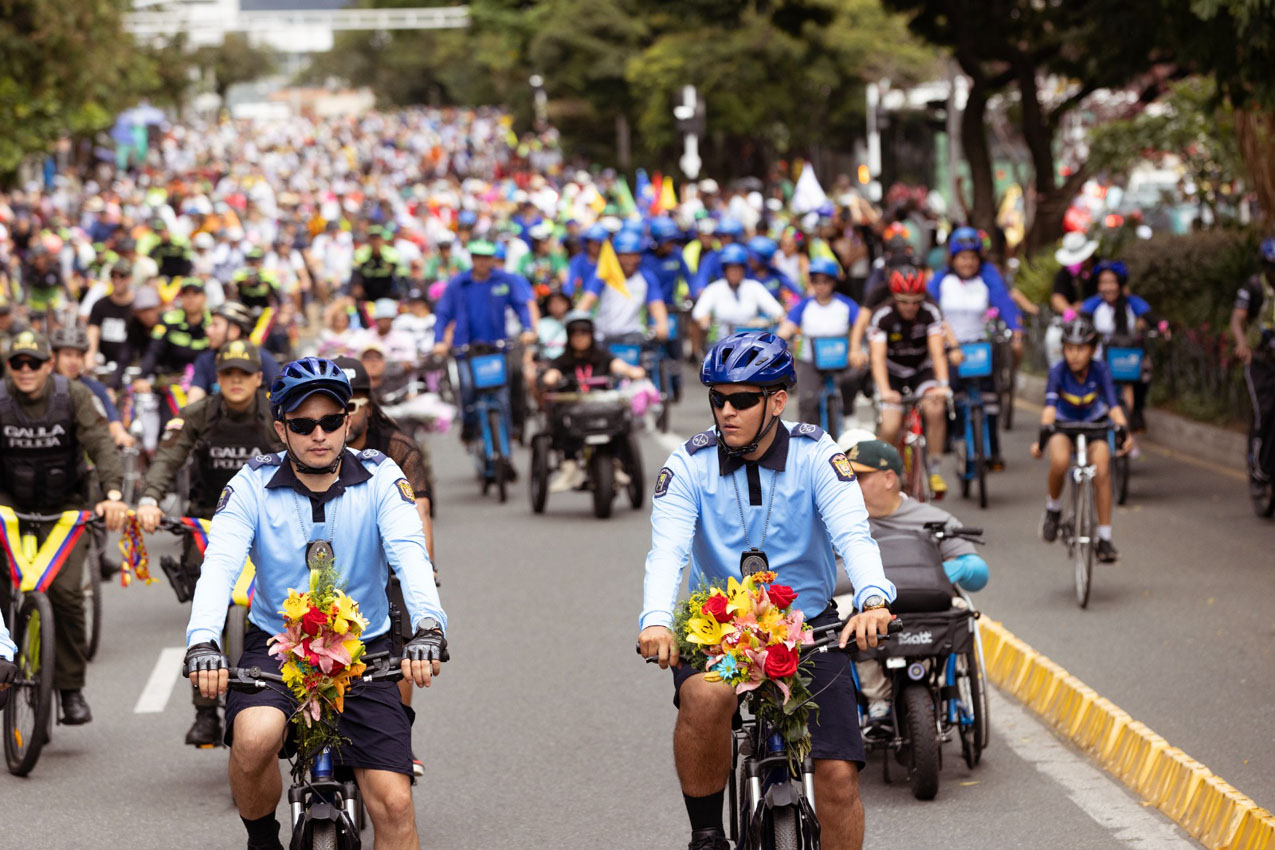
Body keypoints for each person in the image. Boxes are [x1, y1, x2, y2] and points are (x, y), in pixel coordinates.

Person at [638, 332, 896, 850]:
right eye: (717, 399)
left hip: (811, 627)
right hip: (718, 630)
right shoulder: (689, 464)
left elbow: (854, 535)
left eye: (741, 399)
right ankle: (707, 835)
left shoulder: (817, 455)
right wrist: (656, 621)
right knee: (704, 697)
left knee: (838, 777)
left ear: (777, 401)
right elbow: (667, 552)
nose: (726, 411)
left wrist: (872, 599)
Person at [183, 357, 447, 850]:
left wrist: (429, 626)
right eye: (303, 425)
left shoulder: (381, 476)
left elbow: (410, 555)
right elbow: (218, 566)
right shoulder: (250, 484)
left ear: (348, 421)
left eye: (330, 421)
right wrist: (203, 642)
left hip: (365, 647)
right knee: (253, 740)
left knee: (395, 805)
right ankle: (263, 840)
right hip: (276, 647)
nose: (319, 434)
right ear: (281, 429)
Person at [137, 340, 281, 747]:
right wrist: (149, 499)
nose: (236, 381)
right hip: (208, 525)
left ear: (258, 378)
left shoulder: (277, 415)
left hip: (268, 526)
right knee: (207, 612)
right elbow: (168, 458)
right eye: (228, 374)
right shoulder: (197, 414)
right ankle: (204, 712)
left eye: (244, 374)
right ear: (218, 378)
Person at [0, 331, 128, 725]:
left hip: (65, 511)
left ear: (48, 365)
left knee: (67, 593)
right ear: (9, 367)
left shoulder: (73, 395)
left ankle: (70, 689)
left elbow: (101, 444)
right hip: (8, 508)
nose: (25, 369)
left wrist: (113, 493)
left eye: (33, 362)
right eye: (17, 362)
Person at [334, 355, 437, 775]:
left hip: (390, 557)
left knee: (402, 649)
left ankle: (398, 741)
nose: (341, 417)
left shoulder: (398, 448)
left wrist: (424, 568)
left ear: (368, 405)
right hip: (337, 563)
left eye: (351, 405)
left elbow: (421, 513)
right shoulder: (312, 447)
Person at [843, 438, 988, 721]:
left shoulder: (932, 518)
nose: (850, 483)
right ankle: (875, 697)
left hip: (926, 605)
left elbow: (977, 572)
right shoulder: (842, 523)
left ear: (889, 478)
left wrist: (949, 571)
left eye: (859, 476)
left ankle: (940, 686)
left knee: (960, 610)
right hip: (866, 605)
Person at [1032, 318, 1132, 563]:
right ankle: (1053, 509)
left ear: (1093, 349)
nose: (1074, 355)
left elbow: (1113, 406)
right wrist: (1041, 441)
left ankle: (1105, 538)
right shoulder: (1058, 371)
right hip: (1064, 426)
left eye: (1080, 349)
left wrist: (1125, 433)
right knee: (1059, 461)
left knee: (1102, 471)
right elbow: (1049, 409)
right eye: (1069, 348)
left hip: (1094, 426)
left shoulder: (1101, 370)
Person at [928, 226, 1022, 470]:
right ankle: (955, 440)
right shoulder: (942, 280)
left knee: (990, 399)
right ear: (953, 258)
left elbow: (1004, 302)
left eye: (972, 257)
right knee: (954, 396)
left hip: (982, 347)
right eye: (962, 257)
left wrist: (1016, 330)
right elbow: (929, 307)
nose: (967, 262)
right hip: (952, 348)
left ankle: (993, 451)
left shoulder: (987, 277)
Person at [858, 265, 950, 495]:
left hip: (920, 371)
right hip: (892, 373)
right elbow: (877, 358)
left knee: (936, 408)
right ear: (894, 297)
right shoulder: (882, 315)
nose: (910, 307)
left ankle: (935, 469)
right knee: (890, 425)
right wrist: (885, 391)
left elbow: (938, 352)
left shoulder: (930, 312)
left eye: (916, 302)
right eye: (904, 302)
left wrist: (943, 385)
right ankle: (886, 472)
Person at [539, 311, 645, 492]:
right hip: (572, 407)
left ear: (591, 335)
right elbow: (552, 373)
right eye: (575, 333)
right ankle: (570, 465)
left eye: (584, 333)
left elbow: (619, 366)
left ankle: (616, 462)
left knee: (622, 419)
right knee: (560, 419)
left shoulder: (602, 356)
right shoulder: (562, 360)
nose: (580, 337)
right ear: (569, 336)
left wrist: (632, 371)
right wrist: (551, 377)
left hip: (602, 407)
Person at [776, 256, 863, 426]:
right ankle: (808, 434)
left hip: (841, 359)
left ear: (833, 282)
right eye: (816, 281)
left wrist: (856, 349)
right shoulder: (804, 305)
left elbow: (860, 325)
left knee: (855, 376)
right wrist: (781, 336)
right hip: (810, 361)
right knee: (807, 401)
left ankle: (849, 411)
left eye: (825, 281)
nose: (821, 286)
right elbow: (788, 326)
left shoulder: (846, 304)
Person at [1233, 238, 1275, 496]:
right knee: (1265, 412)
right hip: (1260, 362)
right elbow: (1237, 319)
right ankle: (1260, 471)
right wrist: (1241, 344)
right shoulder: (1254, 287)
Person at [576, 230, 670, 343]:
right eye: (624, 256)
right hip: (603, 337)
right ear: (616, 256)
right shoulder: (603, 275)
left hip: (634, 336)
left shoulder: (646, 277)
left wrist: (662, 324)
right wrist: (576, 322)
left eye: (634, 255)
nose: (629, 260)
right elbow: (587, 300)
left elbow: (656, 303)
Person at [49, 326, 134, 449]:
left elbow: (113, 422)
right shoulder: (42, 387)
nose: (74, 361)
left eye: (79, 356)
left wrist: (121, 435)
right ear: (54, 356)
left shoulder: (96, 388)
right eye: (68, 355)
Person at [187, 302, 283, 404]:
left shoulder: (261, 358)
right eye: (227, 373)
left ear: (234, 330)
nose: (207, 330)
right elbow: (195, 396)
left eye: (215, 325)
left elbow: (281, 396)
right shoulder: (205, 359)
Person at [691, 244, 786, 338]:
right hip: (722, 342)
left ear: (744, 269)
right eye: (731, 268)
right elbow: (699, 312)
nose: (735, 272)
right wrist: (704, 320)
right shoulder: (714, 288)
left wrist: (773, 322)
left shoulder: (754, 287)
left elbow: (777, 311)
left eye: (738, 268)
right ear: (725, 270)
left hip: (750, 342)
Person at [136, 277, 211, 394]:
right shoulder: (169, 320)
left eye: (195, 294)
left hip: (204, 382)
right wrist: (142, 377)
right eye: (186, 294)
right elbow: (154, 351)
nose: (190, 299)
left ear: (204, 297)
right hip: (172, 381)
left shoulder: (212, 323)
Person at [85, 260, 136, 368]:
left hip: (131, 364)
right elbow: (92, 331)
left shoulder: (137, 306)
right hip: (105, 364)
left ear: (130, 278)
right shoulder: (100, 305)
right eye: (113, 276)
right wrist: (90, 356)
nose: (117, 280)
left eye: (122, 276)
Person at [350, 226, 402, 302]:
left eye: (378, 239)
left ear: (383, 240)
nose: (376, 242)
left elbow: (399, 276)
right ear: (368, 240)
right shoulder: (360, 254)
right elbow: (355, 276)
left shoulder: (392, 254)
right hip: (366, 296)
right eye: (373, 239)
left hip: (387, 296)